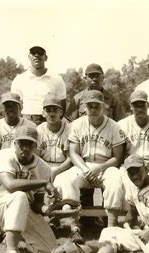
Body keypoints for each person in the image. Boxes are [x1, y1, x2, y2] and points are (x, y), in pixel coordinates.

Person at [54, 90, 126, 236]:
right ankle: (74, 226)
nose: (93, 109)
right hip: (83, 164)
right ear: (84, 108)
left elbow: (117, 158)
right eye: (90, 106)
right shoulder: (77, 124)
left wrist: (100, 168)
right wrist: (85, 169)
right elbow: (73, 153)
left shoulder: (114, 126)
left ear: (104, 107)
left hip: (106, 165)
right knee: (63, 179)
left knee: (116, 181)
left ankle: (111, 225)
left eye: (97, 106)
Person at [0, 125, 59, 253]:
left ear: (36, 146)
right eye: (21, 143)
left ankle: (18, 237)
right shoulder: (3, 155)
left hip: (24, 210)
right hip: (0, 205)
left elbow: (36, 204)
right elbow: (10, 186)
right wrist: (44, 182)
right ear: (15, 144)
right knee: (19, 196)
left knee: (49, 249)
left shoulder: (44, 168)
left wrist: (49, 210)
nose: (25, 148)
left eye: (30, 144)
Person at [0, 92, 37, 246]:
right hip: (4, 167)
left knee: (28, 190)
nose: (10, 108)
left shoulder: (31, 126)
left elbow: (34, 152)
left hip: (25, 165)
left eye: (13, 105)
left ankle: (20, 230)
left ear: (20, 107)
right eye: (7, 105)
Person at [11, 46, 66, 125]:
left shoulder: (57, 79)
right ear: (29, 57)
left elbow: (62, 104)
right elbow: (15, 105)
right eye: (33, 53)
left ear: (46, 57)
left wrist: (54, 122)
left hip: (49, 121)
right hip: (26, 121)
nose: (36, 55)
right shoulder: (19, 79)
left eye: (40, 52)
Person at [118, 90, 149, 170]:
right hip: (129, 165)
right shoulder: (122, 125)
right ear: (131, 107)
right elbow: (119, 153)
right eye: (136, 106)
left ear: (148, 105)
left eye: (142, 105)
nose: (139, 109)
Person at [36, 95, 72, 182]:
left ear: (61, 112)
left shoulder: (71, 130)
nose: (52, 114)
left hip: (64, 168)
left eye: (55, 110)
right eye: (48, 110)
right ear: (43, 113)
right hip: (43, 167)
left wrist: (56, 171)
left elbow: (71, 158)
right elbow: (35, 156)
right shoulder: (38, 130)